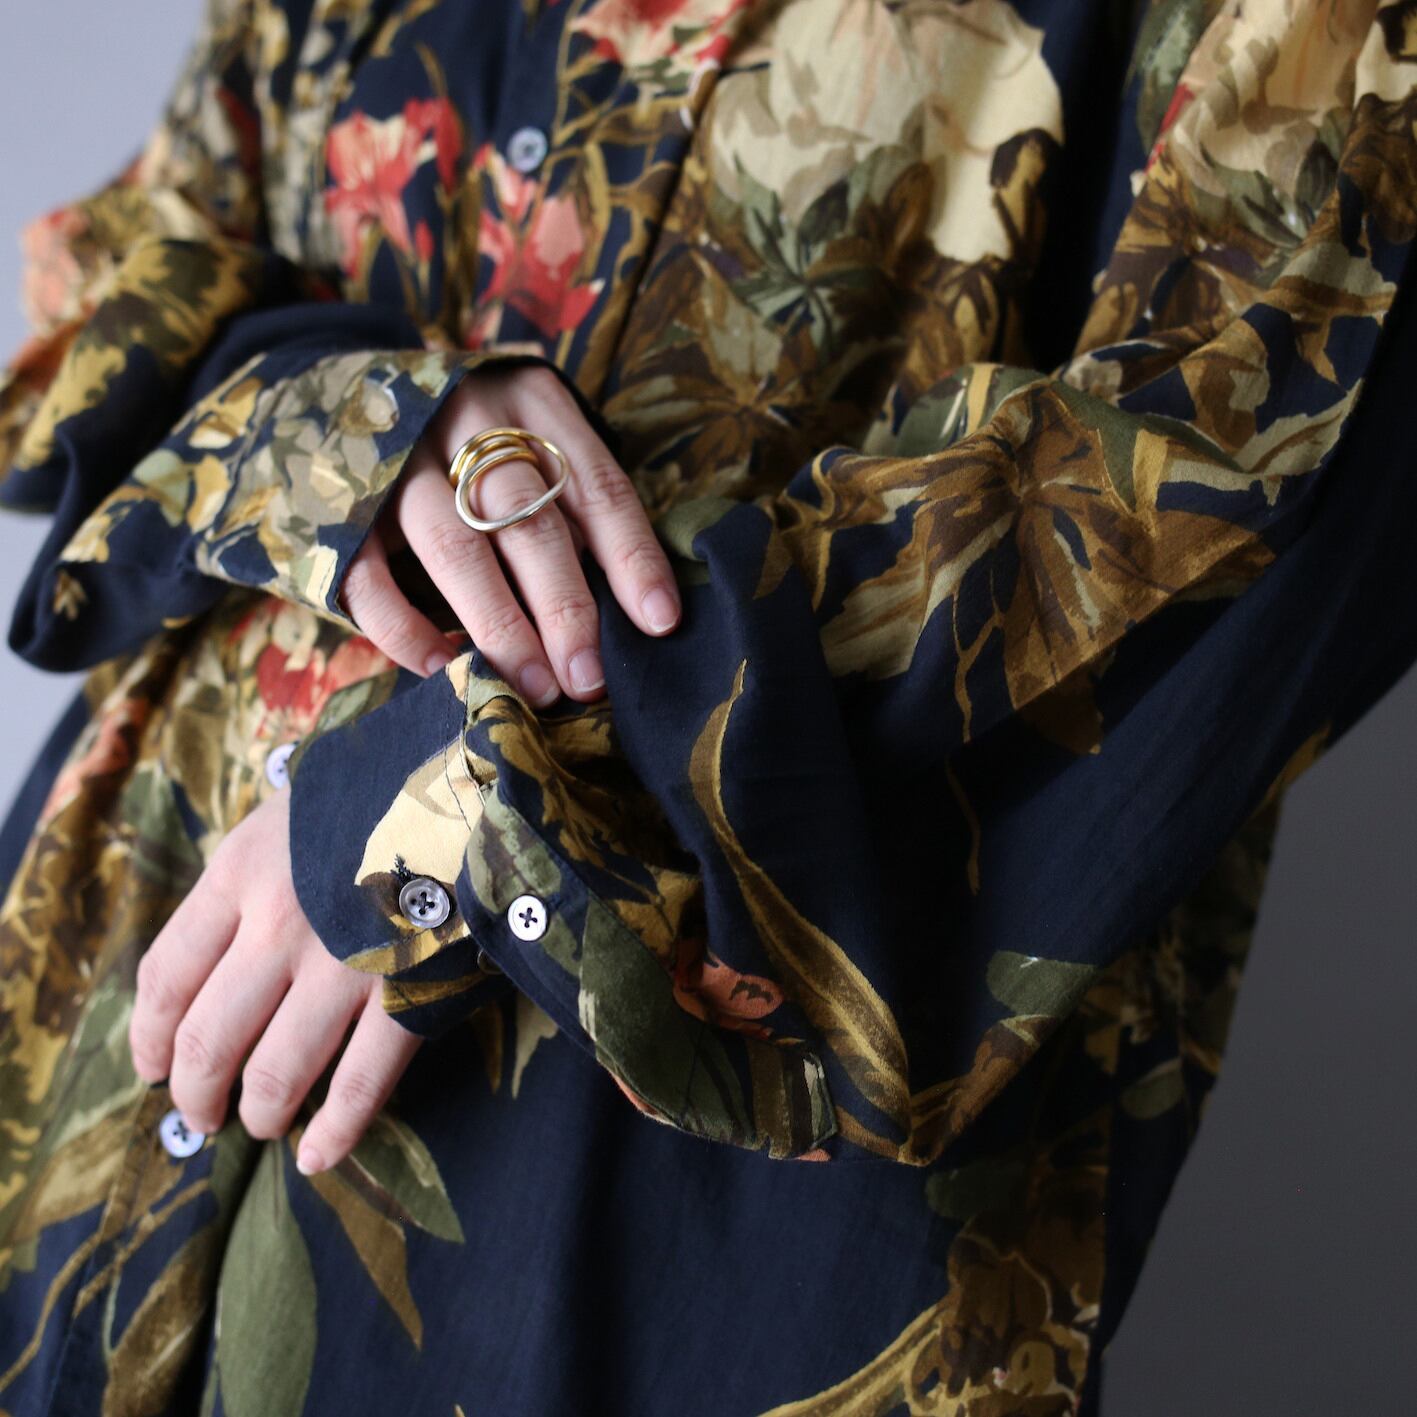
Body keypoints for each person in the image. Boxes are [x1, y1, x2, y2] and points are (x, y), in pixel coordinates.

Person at [1, 0, 1414, 1411]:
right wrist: (351, 422)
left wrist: (486, 780)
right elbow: (131, 263)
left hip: (657, 1182)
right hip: (98, 992)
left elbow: (1261, 444)